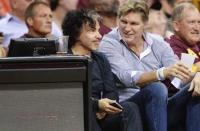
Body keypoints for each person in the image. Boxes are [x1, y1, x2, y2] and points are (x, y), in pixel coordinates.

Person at [99, 0, 200, 131]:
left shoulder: (158, 43)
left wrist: (197, 76)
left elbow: (179, 79)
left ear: (145, 24)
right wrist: (161, 73)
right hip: (128, 106)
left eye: (134, 23)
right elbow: (126, 77)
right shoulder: (109, 43)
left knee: (197, 89)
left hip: (161, 108)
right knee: (157, 88)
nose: (127, 28)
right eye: (124, 22)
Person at [62, 9, 143, 131]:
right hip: (76, 114)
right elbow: (67, 98)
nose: (99, 36)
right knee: (87, 112)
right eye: (92, 30)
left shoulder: (100, 58)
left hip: (102, 115)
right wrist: (96, 105)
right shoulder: (65, 60)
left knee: (130, 108)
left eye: (98, 30)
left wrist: (104, 108)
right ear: (75, 33)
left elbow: (112, 92)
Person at [165, 2, 200, 72]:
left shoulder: (196, 42)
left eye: (199, 22)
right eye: (192, 22)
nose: (197, 28)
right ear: (176, 26)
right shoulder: (169, 48)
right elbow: (184, 74)